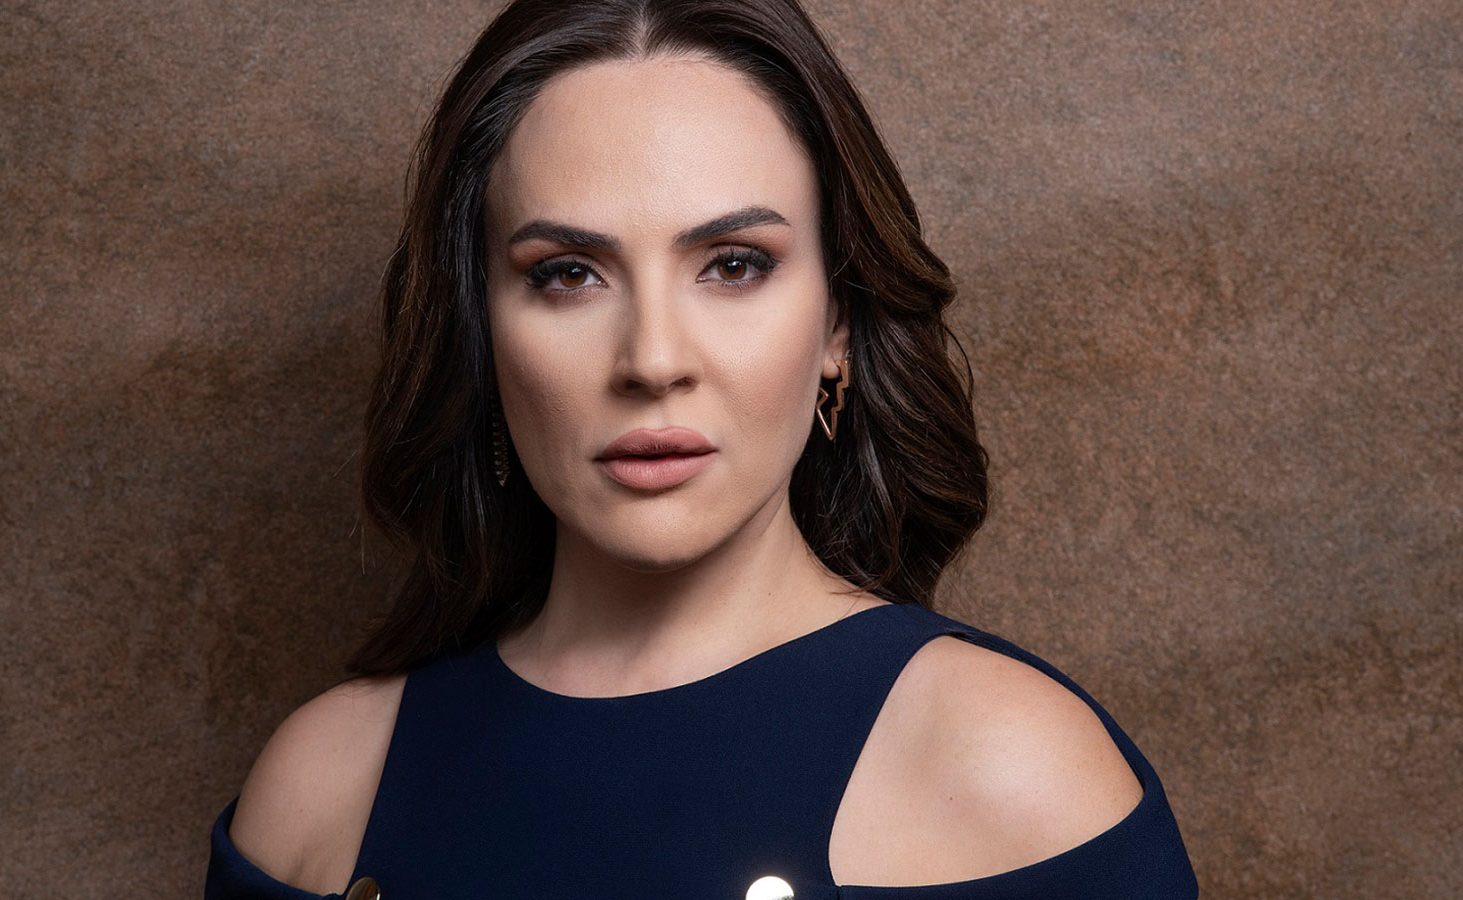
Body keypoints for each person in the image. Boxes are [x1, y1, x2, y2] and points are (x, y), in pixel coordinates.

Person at [203, 0, 1200, 897]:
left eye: (732, 265)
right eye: (566, 274)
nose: (652, 360)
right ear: (480, 331)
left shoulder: (1015, 779)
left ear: (837, 326)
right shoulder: (317, 793)